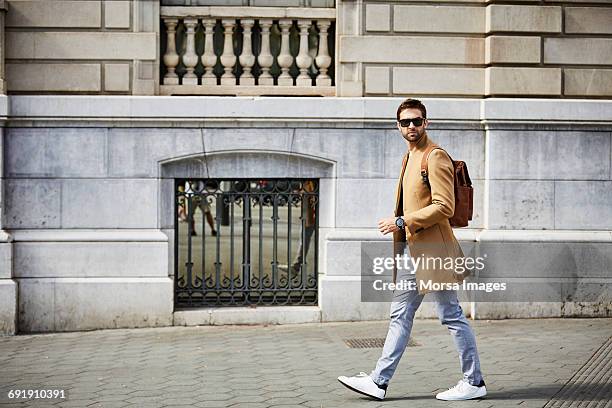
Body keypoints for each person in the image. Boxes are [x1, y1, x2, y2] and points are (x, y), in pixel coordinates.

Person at [337, 98, 486, 401]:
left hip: (433, 251)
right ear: (398, 126)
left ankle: (474, 381)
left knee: (451, 315)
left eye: (417, 121)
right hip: (412, 252)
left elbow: (444, 207)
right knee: (400, 315)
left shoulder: (435, 157)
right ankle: (378, 381)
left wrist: (402, 221)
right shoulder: (410, 157)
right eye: (405, 122)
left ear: (426, 123)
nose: (411, 127)